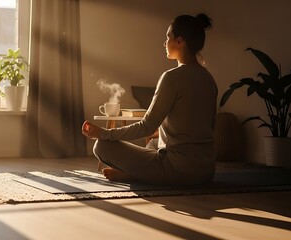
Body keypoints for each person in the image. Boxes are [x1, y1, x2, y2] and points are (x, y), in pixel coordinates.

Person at [82, 13, 218, 185]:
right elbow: (207, 128)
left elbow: (146, 126)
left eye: (168, 37)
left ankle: (137, 175)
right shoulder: (209, 79)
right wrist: (162, 133)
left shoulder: (171, 77)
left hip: (179, 170)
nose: (164, 43)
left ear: (180, 41)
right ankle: (140, 174)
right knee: (154, 142)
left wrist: (103, 133)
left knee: (102, 146)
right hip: (206, 171)